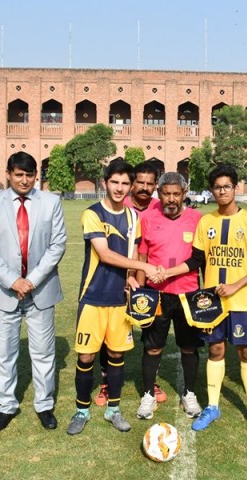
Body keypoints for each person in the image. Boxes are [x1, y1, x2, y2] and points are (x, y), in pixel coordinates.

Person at [163, 164, 247, 434]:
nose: (222, 191)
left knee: (246, 351)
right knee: (215, 350)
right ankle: (212, 406)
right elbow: (196, 260)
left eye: (226, 186)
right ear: (212, 190)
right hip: (211, 303)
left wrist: (236, 285)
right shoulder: (206, 222)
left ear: (235, 188)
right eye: (217, 187)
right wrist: (167, 272)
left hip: (242, 300)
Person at [67, 160, 163, 435]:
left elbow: (132, 255)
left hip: (119, 299)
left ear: (130, 186)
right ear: (104, 183)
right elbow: (105, 254)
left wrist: (132, 277)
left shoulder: (133, 218)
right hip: (93, 297)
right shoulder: (92, 214)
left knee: (116, 353)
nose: (119, 188)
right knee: (86, 356)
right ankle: (81, 410)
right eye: (114, 182)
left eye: (124, 183)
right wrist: (146, 268)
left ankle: (114, 409)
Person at [0, 152, 67, 432]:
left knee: (43, 352)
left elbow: (57, 245)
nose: (24, 180)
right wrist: (12, 280)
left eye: (29, 175)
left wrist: (32, 280)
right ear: (8, 174)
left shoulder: (51, 202)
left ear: (36, 175)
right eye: (19, 174)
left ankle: (44, 404)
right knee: (4, 352)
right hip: (6, 292)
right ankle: (6, 405)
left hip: (41, 291)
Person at [134, 171, 204, 420]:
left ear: (184, 193)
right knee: (152, 347)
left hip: (188, 294)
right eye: (166, 194)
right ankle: (148, 395)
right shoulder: (147, 218)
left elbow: (201, 259)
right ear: (159, 193)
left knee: (189, 347)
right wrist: (140, 293)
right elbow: (142, 258)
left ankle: (190, 393)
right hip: (157, 295)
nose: (171, 199)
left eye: (176, 194)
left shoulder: (198, 219)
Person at [96, 160, 166, 407]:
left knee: (152, 336)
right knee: (109, 336)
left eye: (150, 183)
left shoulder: (161, 208)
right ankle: (107, 384)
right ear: (132, 183)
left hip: (152, 283)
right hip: (118, 281)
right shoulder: (119, 206)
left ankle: (151, 382)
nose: (145, 187)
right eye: (140, 182)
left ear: (155, 186)